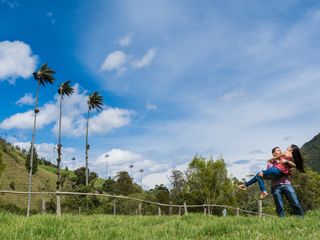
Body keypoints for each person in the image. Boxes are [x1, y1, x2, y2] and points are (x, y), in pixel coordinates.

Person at [238, 144, 304, 200]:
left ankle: (256, 189)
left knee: (259, 174)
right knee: (259, 175)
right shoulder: (290, 157)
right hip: (278, 175)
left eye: (289, 146)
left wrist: (272, 159)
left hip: (277, 172)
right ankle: (248, 186)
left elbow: (290, 164)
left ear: (291, 149)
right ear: (273, 153)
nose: (281, 150)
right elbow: (291, 166)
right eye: (278, 150)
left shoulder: (286, 153)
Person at [268, 146, 304, 217]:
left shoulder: (284, 159)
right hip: (275, 186)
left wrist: (286, 161)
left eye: (280, 150)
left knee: (295, 202)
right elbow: (271, 174)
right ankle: (281, 221)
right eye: (278, 150)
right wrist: (279, 167)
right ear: (274, 154)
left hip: (287, 184)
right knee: (279, 206)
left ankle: (301, 218)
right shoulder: (270, 163)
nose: (280, 151)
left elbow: (294, 165)